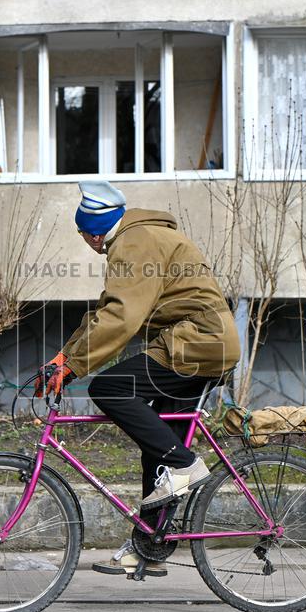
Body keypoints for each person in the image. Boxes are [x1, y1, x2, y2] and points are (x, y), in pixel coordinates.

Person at [35, 180, 240, 578]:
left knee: (108, 388)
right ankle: (149, 546)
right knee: (157, 444)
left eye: (82, 235)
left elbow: (122, 317)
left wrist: (75, 366)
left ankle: (185, 465)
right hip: (198, 345)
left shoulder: (134, 241)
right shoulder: (142, 235)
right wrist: (65, 356)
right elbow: (106, 311)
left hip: (194, 347)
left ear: (91, 232)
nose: (86, 242)